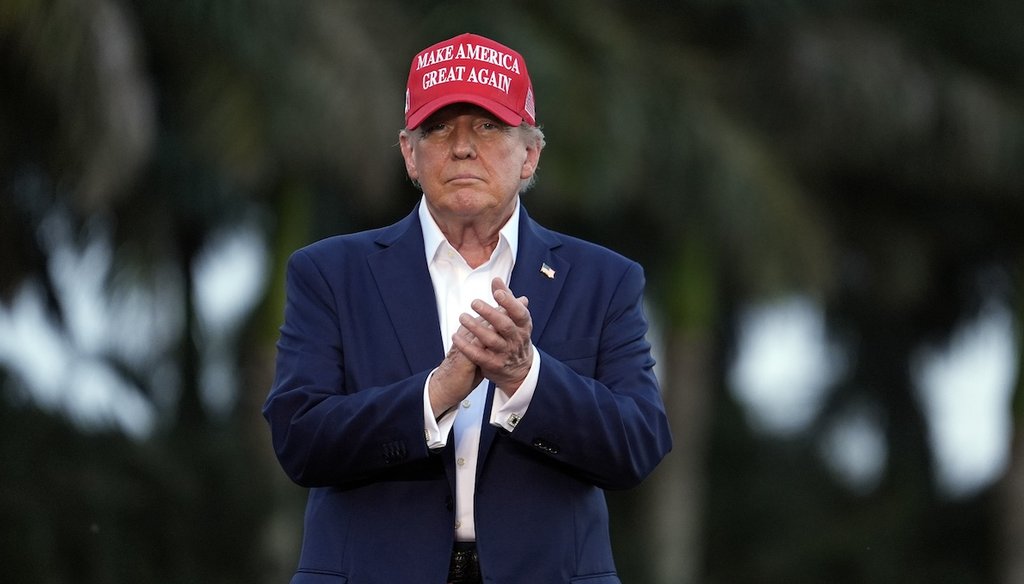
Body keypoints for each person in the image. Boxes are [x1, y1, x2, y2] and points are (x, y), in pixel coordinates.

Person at [263, 32, 672, 584]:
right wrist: (437, 393)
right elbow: (300, 440)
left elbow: (636, 445)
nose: (461, 147)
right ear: (410, 154)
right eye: (438, 127)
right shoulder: (329, 273)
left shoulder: (605, 279)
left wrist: (526, 378)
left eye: (487, 126)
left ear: (530, 155)